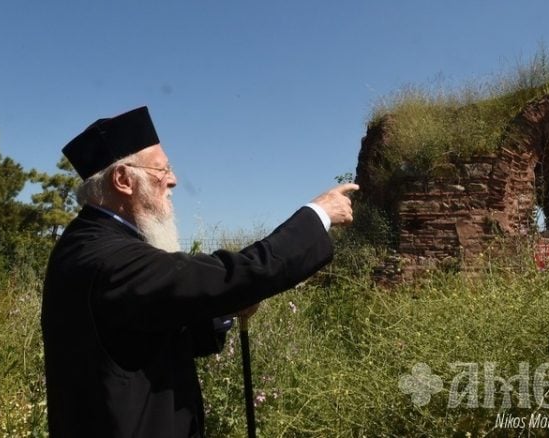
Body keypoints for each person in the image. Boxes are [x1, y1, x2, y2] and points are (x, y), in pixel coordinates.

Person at [41, 106, 358, 437]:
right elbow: (233, 273)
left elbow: (149, 333)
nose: (173, 180)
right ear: (123, 179)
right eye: (161, 170)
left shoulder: (91, 244)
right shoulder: (109, 258)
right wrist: (318, 214)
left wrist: (226, 311)